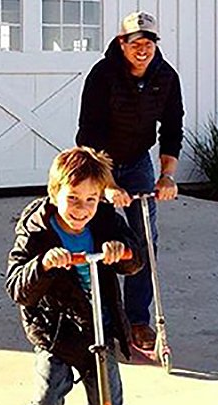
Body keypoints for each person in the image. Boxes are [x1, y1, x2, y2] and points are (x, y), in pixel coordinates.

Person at [6, 146, 144, 405]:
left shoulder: (106, 221)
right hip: (57, 335)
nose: (82, 209)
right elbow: (17, 287)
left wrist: (123, 253)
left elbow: (137, 260)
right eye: (73, 199)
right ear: (54, 194)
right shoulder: (36, 231)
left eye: (90, 199)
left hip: (100, 330)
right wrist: (43, 265)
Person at [76, 10, 184, 351]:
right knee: (95, 235)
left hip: (138, 162)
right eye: (135, 42)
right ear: (122, 44)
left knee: (143, 241)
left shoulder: (166, 77)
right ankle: (98, 318)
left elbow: (172, 129)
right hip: (99, 162)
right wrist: (105, 184)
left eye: (149, 42)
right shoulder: (102, 75)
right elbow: (87, 133)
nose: (143, 49)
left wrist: (167, 176)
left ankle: (138, 321)